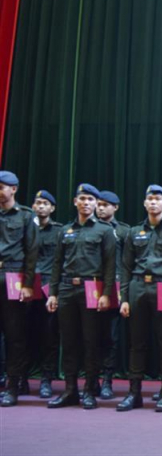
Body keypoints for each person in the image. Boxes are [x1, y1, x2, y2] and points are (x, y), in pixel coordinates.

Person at [117, 185, 162, 412]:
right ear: (145, 203)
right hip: (137, 285)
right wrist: (124, 298)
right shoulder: (133, 231)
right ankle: (134, 393)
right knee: (136, 342)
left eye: (158, 199)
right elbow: (126, 267)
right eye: (150, 199)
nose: (153, 203)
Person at [46, 184, 115, 409]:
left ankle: (89, 390)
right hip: (66, 289)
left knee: (90, 341)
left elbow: (109, 266)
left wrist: (106, 294)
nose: (86, 203)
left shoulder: (104, 231)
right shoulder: (64, 231)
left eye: (90, 200)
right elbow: (56, 265)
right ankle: (70, 389)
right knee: (69, 341)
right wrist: (53, 293)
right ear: (75, 202)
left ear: (96, 204)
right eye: (82, 199)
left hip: (91, 289)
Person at [0, 171, 38, 407]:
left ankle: (13, 385)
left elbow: (32, 252)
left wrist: (27, 285)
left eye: (3, 186)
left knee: (15, 335)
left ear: (14, 189)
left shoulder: (26, 216)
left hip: (13, 276)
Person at [95, 190, 130, 400]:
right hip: (91, 284)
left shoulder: (124, 231)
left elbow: (127, 263)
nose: (101, 208)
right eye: (99, 204)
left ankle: (107, 379)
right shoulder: (91, 228)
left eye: (106, 205)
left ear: (115, 207)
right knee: (91, 335)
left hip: (115, 285)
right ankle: (92, 379)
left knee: (112, 336)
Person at [29, 190, 61, 399]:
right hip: (25, 286)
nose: (41, 206)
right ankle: (20, 378)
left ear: (52, 208)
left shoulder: (59, 231)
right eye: (38, 202)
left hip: (49, 287)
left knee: (50, 336)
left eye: (45, 203)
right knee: (22, 334)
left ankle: (47, 379)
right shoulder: (26, 228)